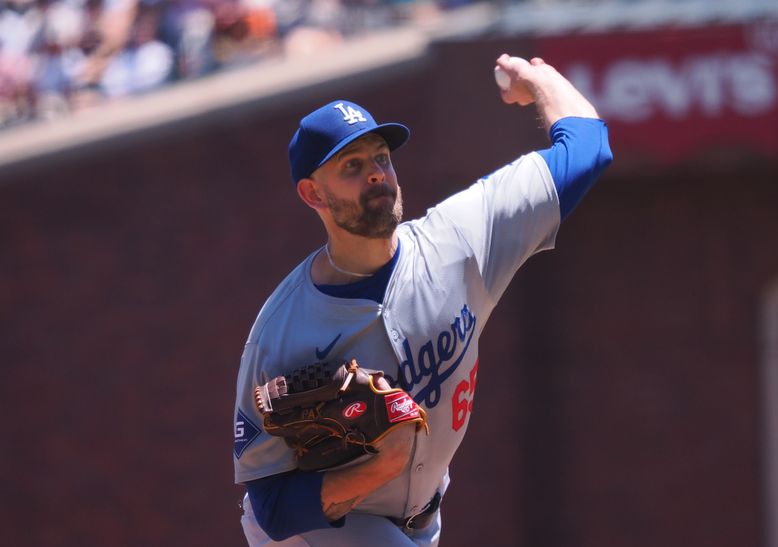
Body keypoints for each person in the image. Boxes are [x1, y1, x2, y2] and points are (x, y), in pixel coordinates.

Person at [232, 53, 613, 546]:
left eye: (381, 158)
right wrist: (381, 465)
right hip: (318, 531)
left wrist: (541, 81)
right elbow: (271, 507)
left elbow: (588, 148)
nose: (376, 174)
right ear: (313, 195)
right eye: (352, 165)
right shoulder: (281, 331)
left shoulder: (461, 240)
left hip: (422, 520)